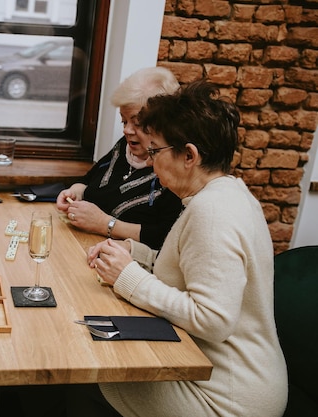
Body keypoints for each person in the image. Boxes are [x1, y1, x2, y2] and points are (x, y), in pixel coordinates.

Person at [87, 81, 288, 416]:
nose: (150, 163)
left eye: (155, 152)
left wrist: (128, 277)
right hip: (210, 370)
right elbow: (188, 271)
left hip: (228, 396)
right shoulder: (223, 194)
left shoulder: (214, 212)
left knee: (97, 373)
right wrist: (134, 254)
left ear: (189, 156)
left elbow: (212, 320)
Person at [56, 67, 183, 250]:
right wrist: (74, 193)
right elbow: (88, 180)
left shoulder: (174, 172)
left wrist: (105, 224)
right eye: (124, 121)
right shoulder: (125, 145)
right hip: (82, 246)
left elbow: (165, 238)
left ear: (165, 123)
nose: (126, 130)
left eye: (137, 123)